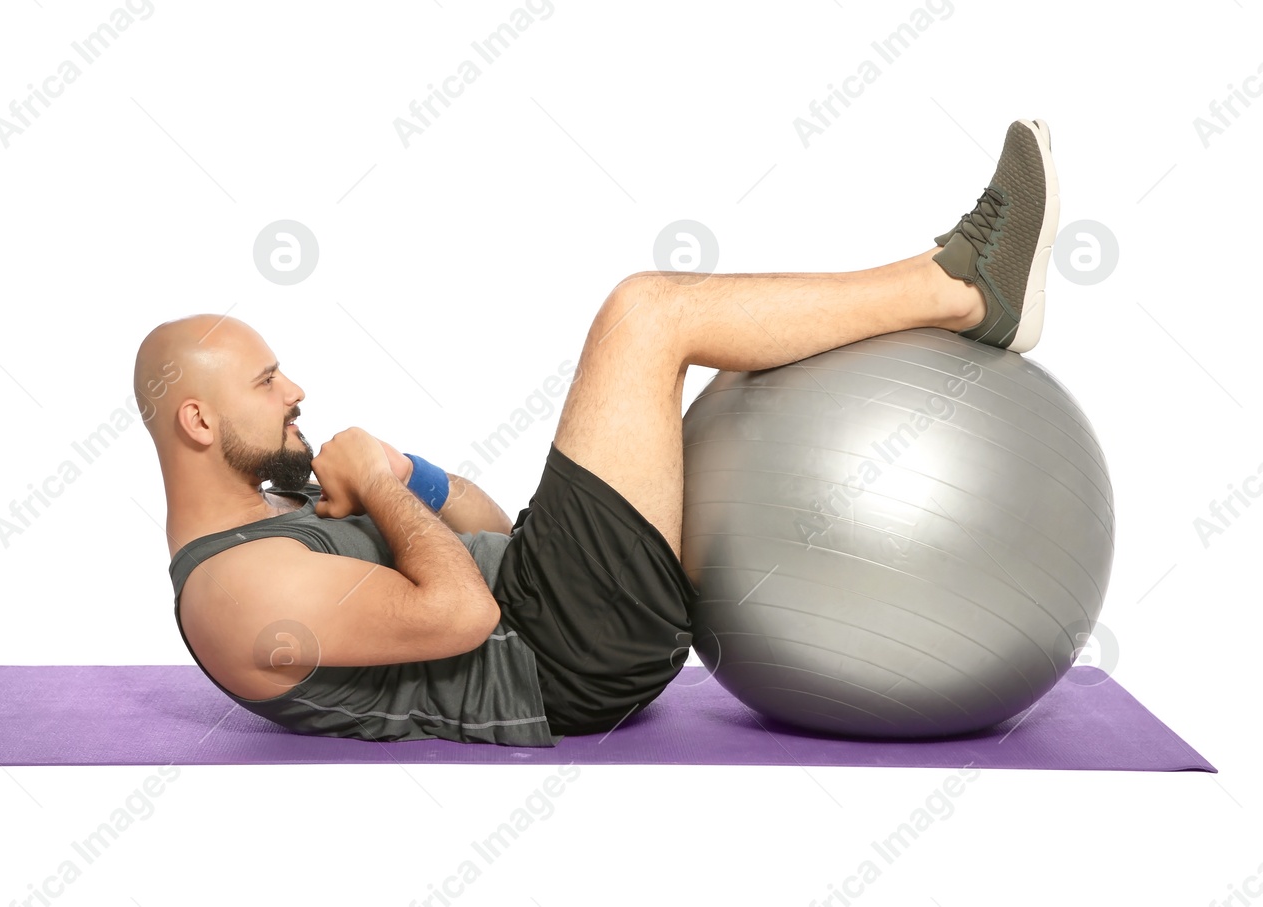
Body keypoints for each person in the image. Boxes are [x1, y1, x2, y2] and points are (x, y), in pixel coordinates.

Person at [136, 118, 1058, 747]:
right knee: (647, 315)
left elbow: (486, 528)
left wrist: (404, 471)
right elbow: (462, 614)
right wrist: (374, 480)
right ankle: (963, 287)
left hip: (551, 606)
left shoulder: (271, 523)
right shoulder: (239, 592)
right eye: (267, 381)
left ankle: (953, 281)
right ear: (199, 420)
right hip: (559, 661)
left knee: (711, 336)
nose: (295, 389)